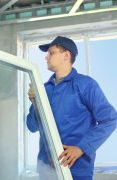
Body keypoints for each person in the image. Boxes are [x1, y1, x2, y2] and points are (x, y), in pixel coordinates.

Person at [26, 36, 117, 180]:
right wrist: (35, 104)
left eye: (51, 52)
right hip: (46, 170)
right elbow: (32, 126)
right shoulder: (43, 89)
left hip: (76, 170)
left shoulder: (86, 85)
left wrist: (81, 148)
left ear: (66, 55)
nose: (46, 57)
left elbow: (110, 119)